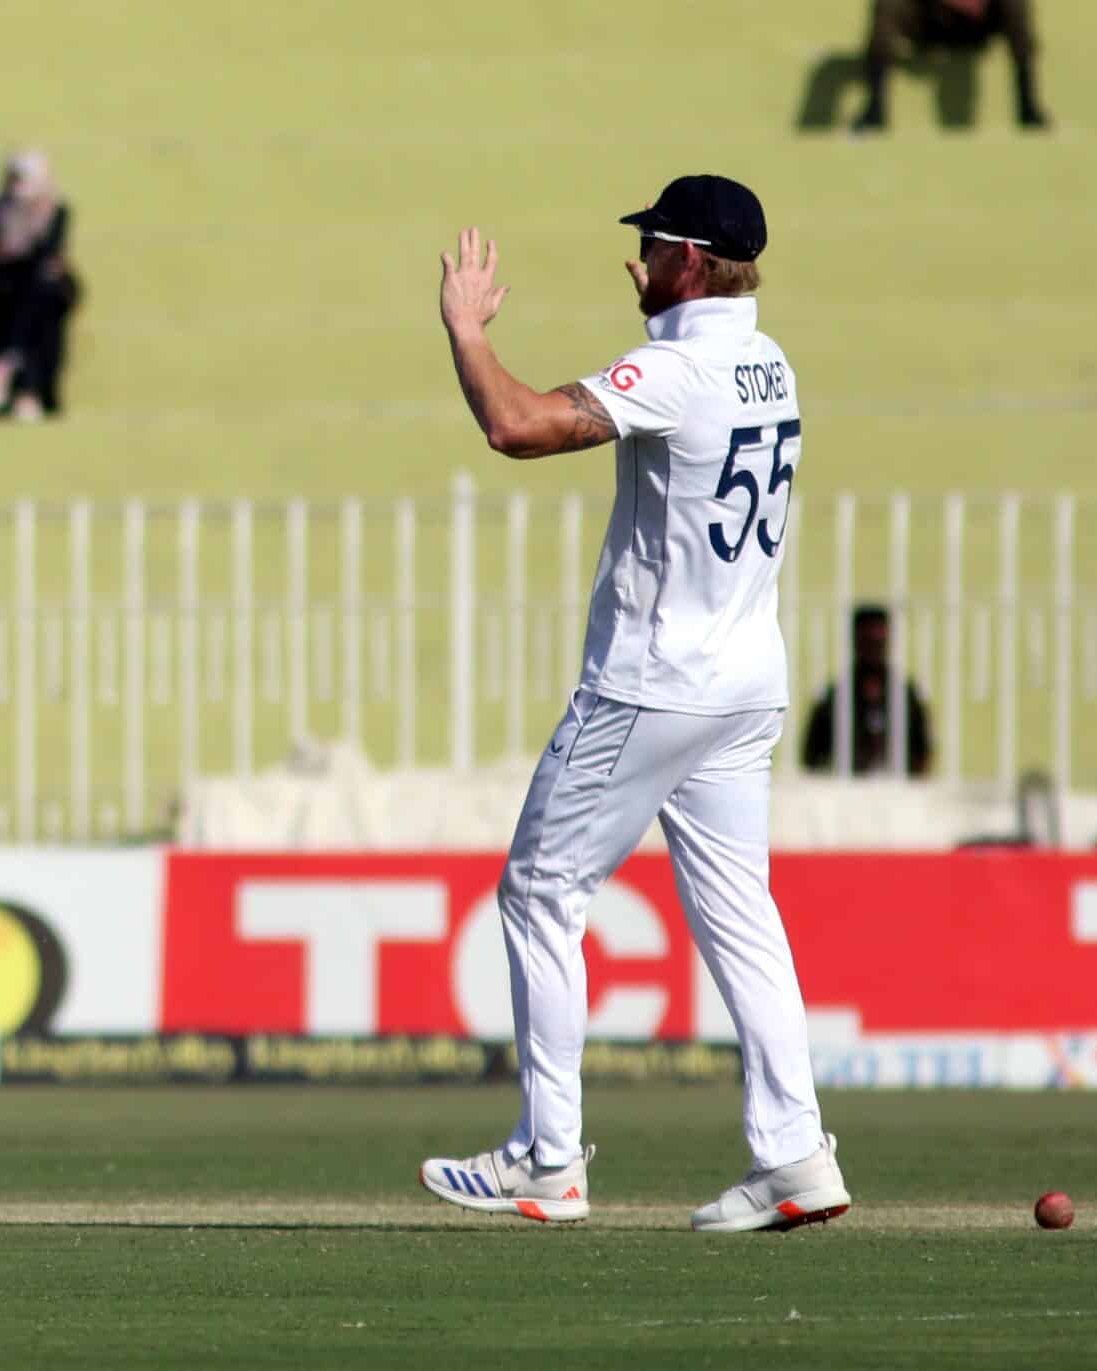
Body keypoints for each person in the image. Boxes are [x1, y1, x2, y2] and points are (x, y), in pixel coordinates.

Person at [420, 177, 852, 1233]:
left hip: (653, 682)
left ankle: (547, 1160)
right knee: (741, 917)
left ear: (691, 264)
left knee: (538, 892)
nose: (637, 264)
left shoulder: (680, 366)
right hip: (744, 681)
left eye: (651, 248)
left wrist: (465, 332)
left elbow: (517, 428)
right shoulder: (767, 359)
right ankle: (793, 1155)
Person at [0, 149, 79, 421]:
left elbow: (46, 253)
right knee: (35, 306)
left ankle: (8, 362)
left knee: (40, 298)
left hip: (42, 289)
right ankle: (29, 392)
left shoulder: (56, 211)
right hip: (7, 288)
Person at [856, 0, 1048, 131]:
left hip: (977, 23)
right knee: (888, 5)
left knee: (1015, 5)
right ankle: (874, 110)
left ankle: (1028, 107)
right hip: (929, 19)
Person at [800, 605, 935, 775]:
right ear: (855, 641)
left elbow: (922, 753)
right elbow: (812, 756)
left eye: (878, 643)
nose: (873, 650)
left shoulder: (907, 696)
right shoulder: (834, 697)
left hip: (898, 793)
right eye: (867, 642)